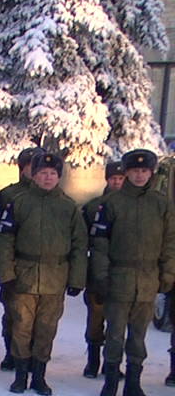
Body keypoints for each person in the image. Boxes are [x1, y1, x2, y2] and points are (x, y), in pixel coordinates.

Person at [0, 152, 87, 395]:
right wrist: (7, 274)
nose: (48, 177)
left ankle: (39, 376)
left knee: (46, 328)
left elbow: (79, 245)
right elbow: (5, 241)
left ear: (59, 177)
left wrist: (77, 279)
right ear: (33, 176)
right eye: (42, 173)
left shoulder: (68, 207)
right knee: (22, 327)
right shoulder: (20, 203)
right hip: (24, 276)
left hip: (55, 279)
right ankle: (21, 375)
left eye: (53, 174)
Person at [89, 148, 175, 396]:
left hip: (148, 278)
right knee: (115, 333)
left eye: (144, 171)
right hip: (119, 277)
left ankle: (134, 384)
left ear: (151, 173)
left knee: (138, 336)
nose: (140, 175)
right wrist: (101, 277)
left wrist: (167, 273)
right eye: (135, 171)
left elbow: (170, 241)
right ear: (126, 173)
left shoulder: (161, 204)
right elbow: (100, 243)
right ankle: (112, 381)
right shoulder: (111, 203)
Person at [0, 146, 44, 370]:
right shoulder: (8, 195)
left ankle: (32, 355)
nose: (32, 171)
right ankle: (11, 352)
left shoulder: (55, 197)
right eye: (28, 166)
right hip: (14, 265)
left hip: (43, 269)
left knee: (40, 318)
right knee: (13, 313)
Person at [80, 161, 125, 378]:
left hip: (124, 273)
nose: (117, 182)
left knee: (118, 321)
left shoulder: (130, 205)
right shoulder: (93, 206)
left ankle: (112, 363)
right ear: (107, 180)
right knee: (96, 318)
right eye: (113, 178)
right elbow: (83, 239)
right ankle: (93, 361)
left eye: (121, 178)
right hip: (97, 271)